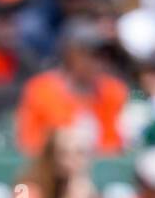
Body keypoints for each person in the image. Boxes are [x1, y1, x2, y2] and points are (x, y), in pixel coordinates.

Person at [15, 19, 128, 157]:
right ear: (70, 54)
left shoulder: (114, 91)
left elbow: (115, 145)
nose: (99, 62)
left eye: (105, 56)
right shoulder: (41, 90)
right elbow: (29, 145)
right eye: (92, 55)